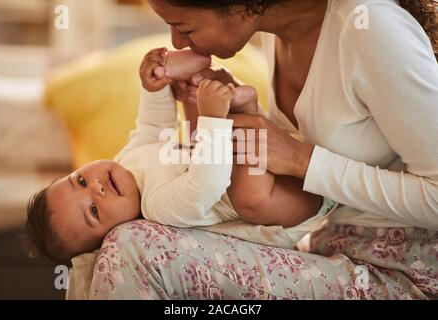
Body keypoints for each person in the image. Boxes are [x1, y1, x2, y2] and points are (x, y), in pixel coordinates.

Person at [86, 0, 437, 299]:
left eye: (181, 25)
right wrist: (231, 111)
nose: (176, 40)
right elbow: (282, 171)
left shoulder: (370, 28)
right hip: (329, 247)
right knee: (94, 251)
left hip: (400, 273)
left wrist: (303, 160)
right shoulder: (279, 37)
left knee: (135, 248)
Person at [23, 47, 335, 266]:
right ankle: (245, 109)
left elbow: (150, 125)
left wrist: (154, 85)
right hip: (288, 203)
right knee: (247, 196)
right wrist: (213, 117)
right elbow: (209, 182)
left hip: (263, 162)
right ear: (110, 237)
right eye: (93, 210)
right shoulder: (158, 208)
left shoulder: (127, 162)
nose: (97, 188)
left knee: (189, 109)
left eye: (80, 180)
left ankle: (202, 79)